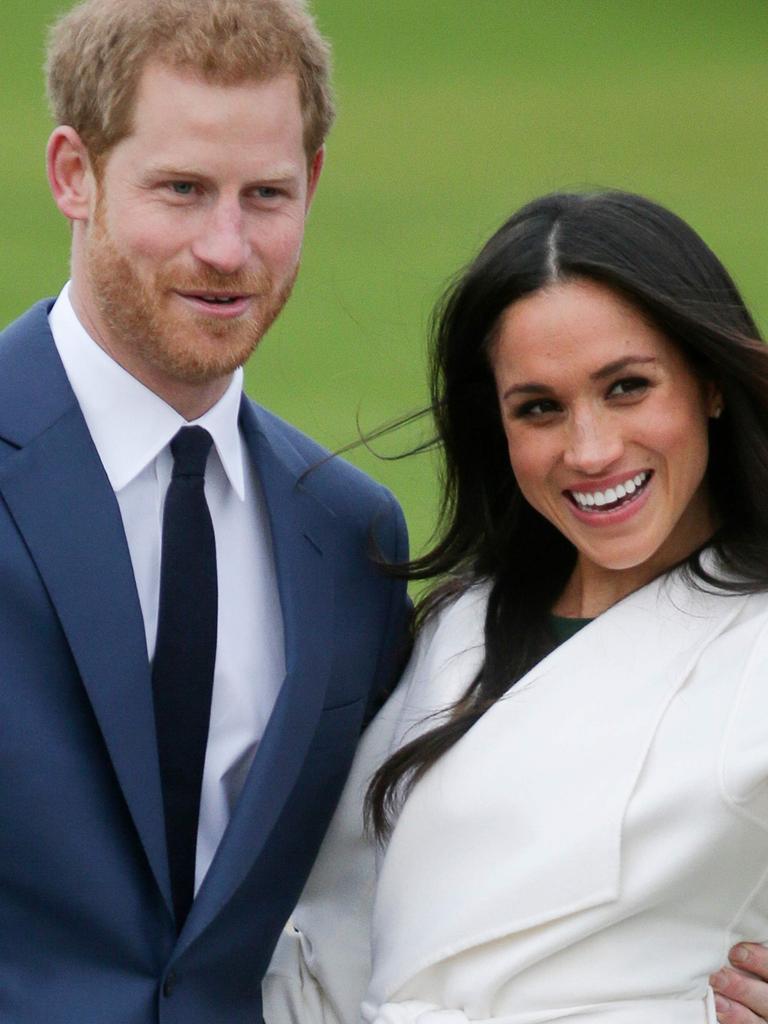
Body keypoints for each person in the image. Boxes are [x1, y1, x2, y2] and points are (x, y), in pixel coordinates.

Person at [263, 190, 768, 1024]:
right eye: (539, 407)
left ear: (708, 384)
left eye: (628, 387)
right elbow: (326, 946)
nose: (592, 449)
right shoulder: (458, 627)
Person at [0, 1, 409, 1021]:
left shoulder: (354, 537)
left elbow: (397, 871)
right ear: (73, 174)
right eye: (181, 190)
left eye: (265, 194)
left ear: (312, 183)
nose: (226, 250)